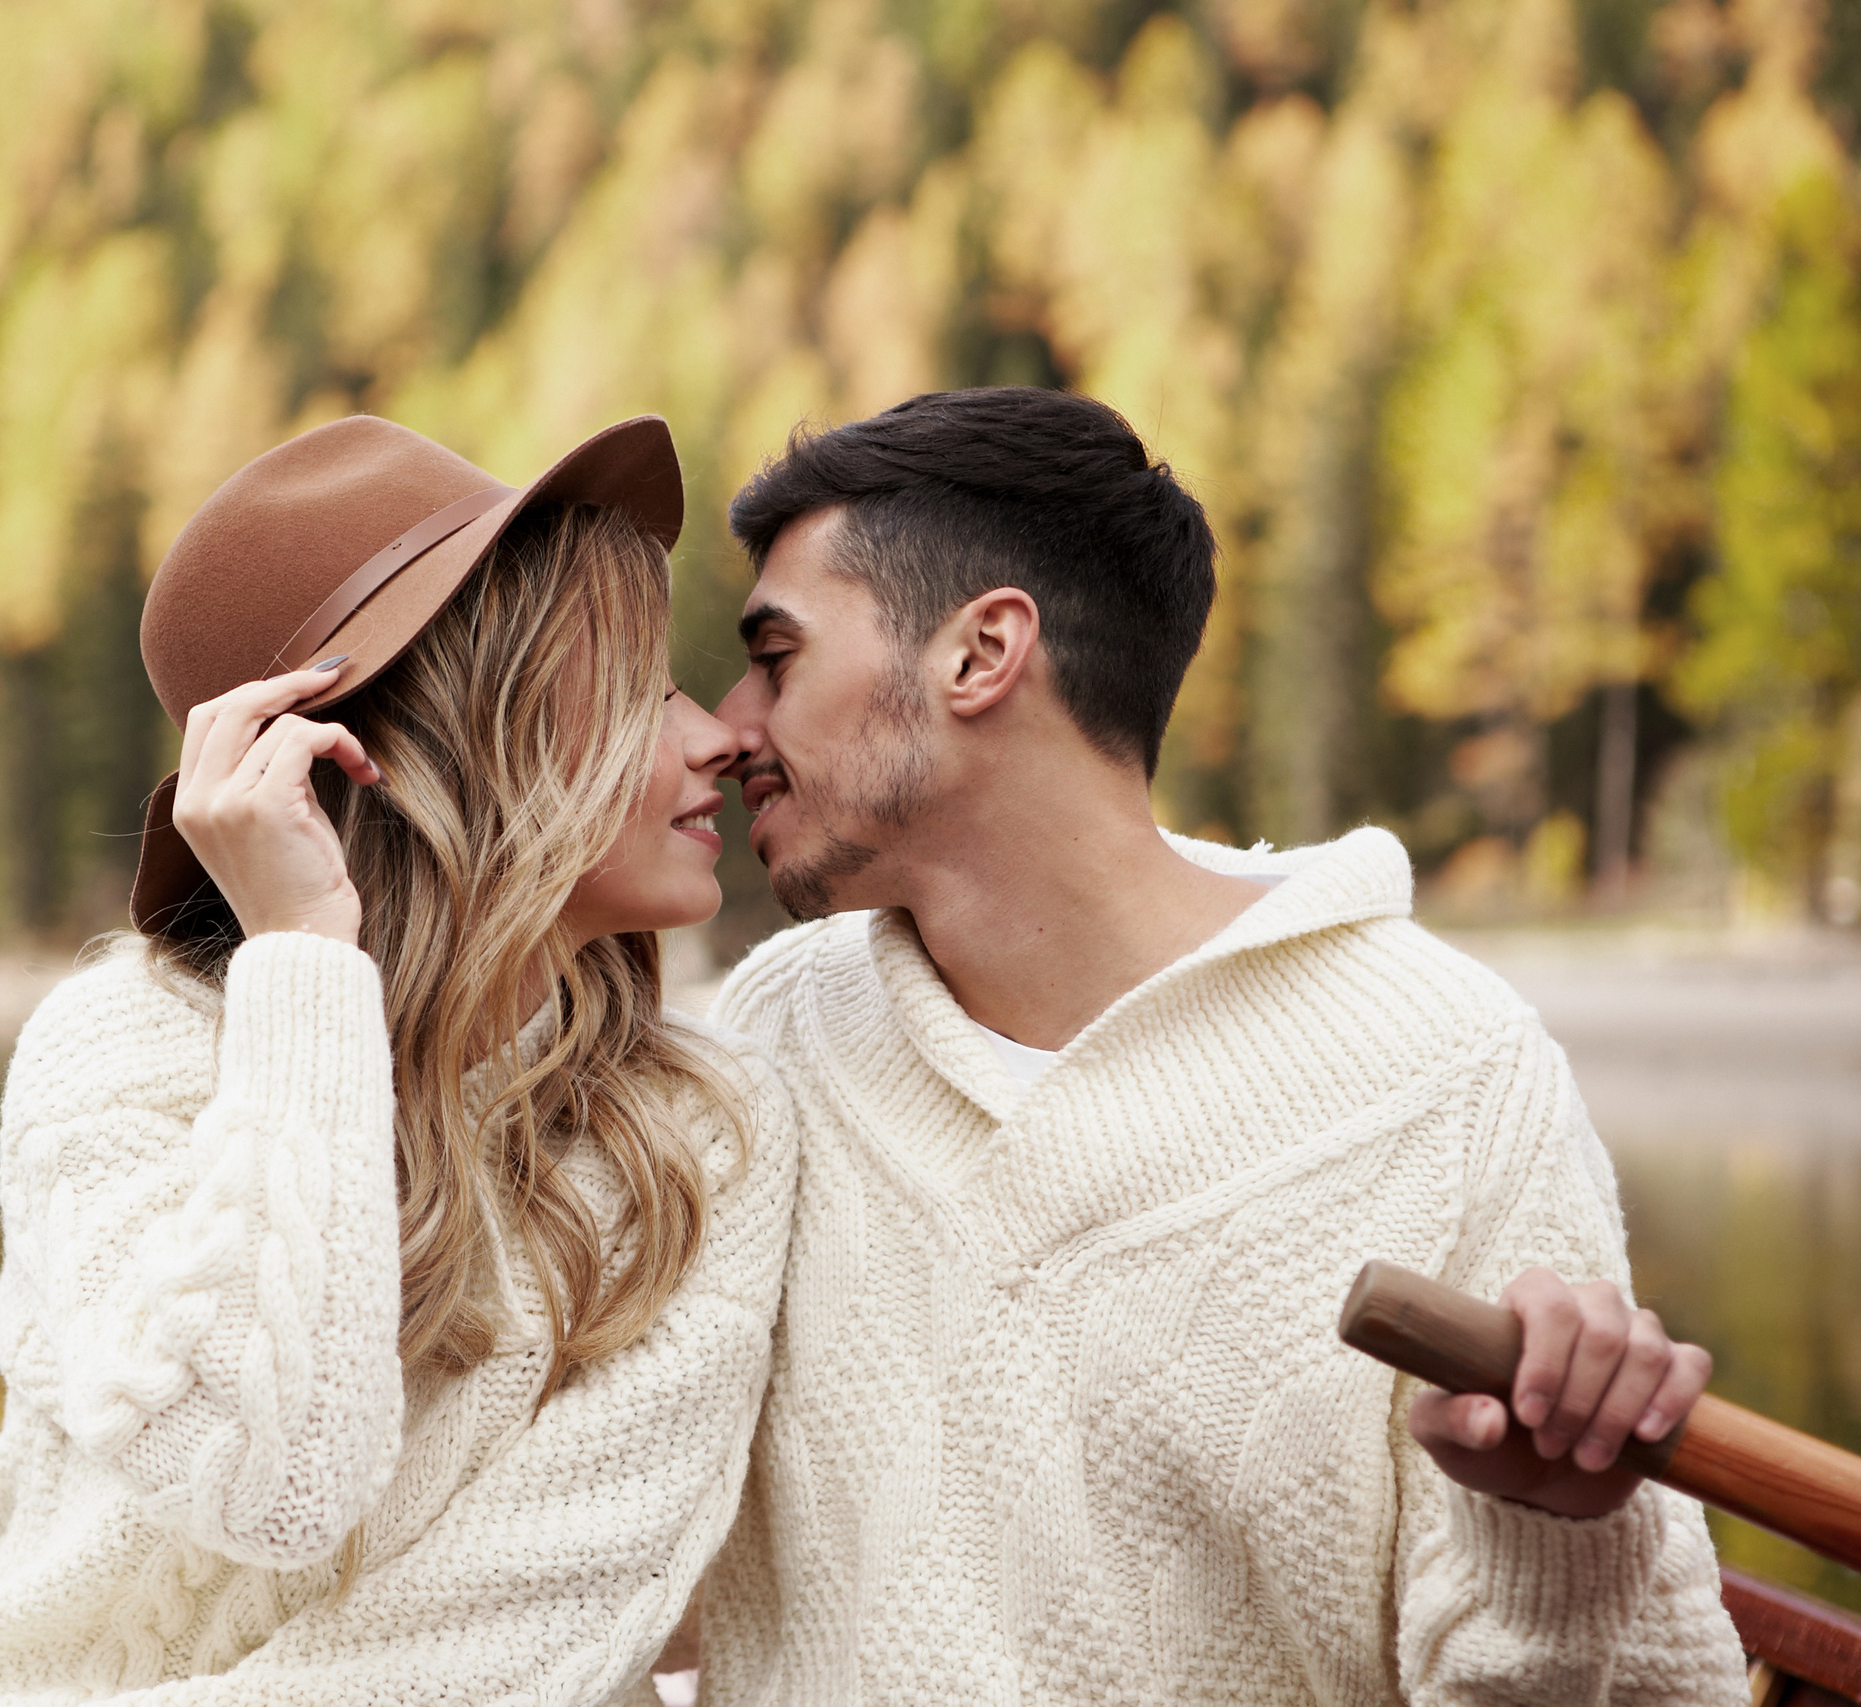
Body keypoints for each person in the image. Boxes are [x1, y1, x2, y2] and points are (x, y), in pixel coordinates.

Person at [0, 416, 795, 1707]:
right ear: (433, 747)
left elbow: (503, 1656)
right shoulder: (125, 1048)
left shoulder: (703, 1134)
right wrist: (307, 961)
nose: (717, 736)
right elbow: (273, 1483)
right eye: (641, 692)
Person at [691, 387, 1746, 1704]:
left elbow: (1637, 1688)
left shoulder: (1451, 1074)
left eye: (775, 657)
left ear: (981, 654)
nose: (727, 727)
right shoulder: (777, 1029)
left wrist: (1549, 1541)